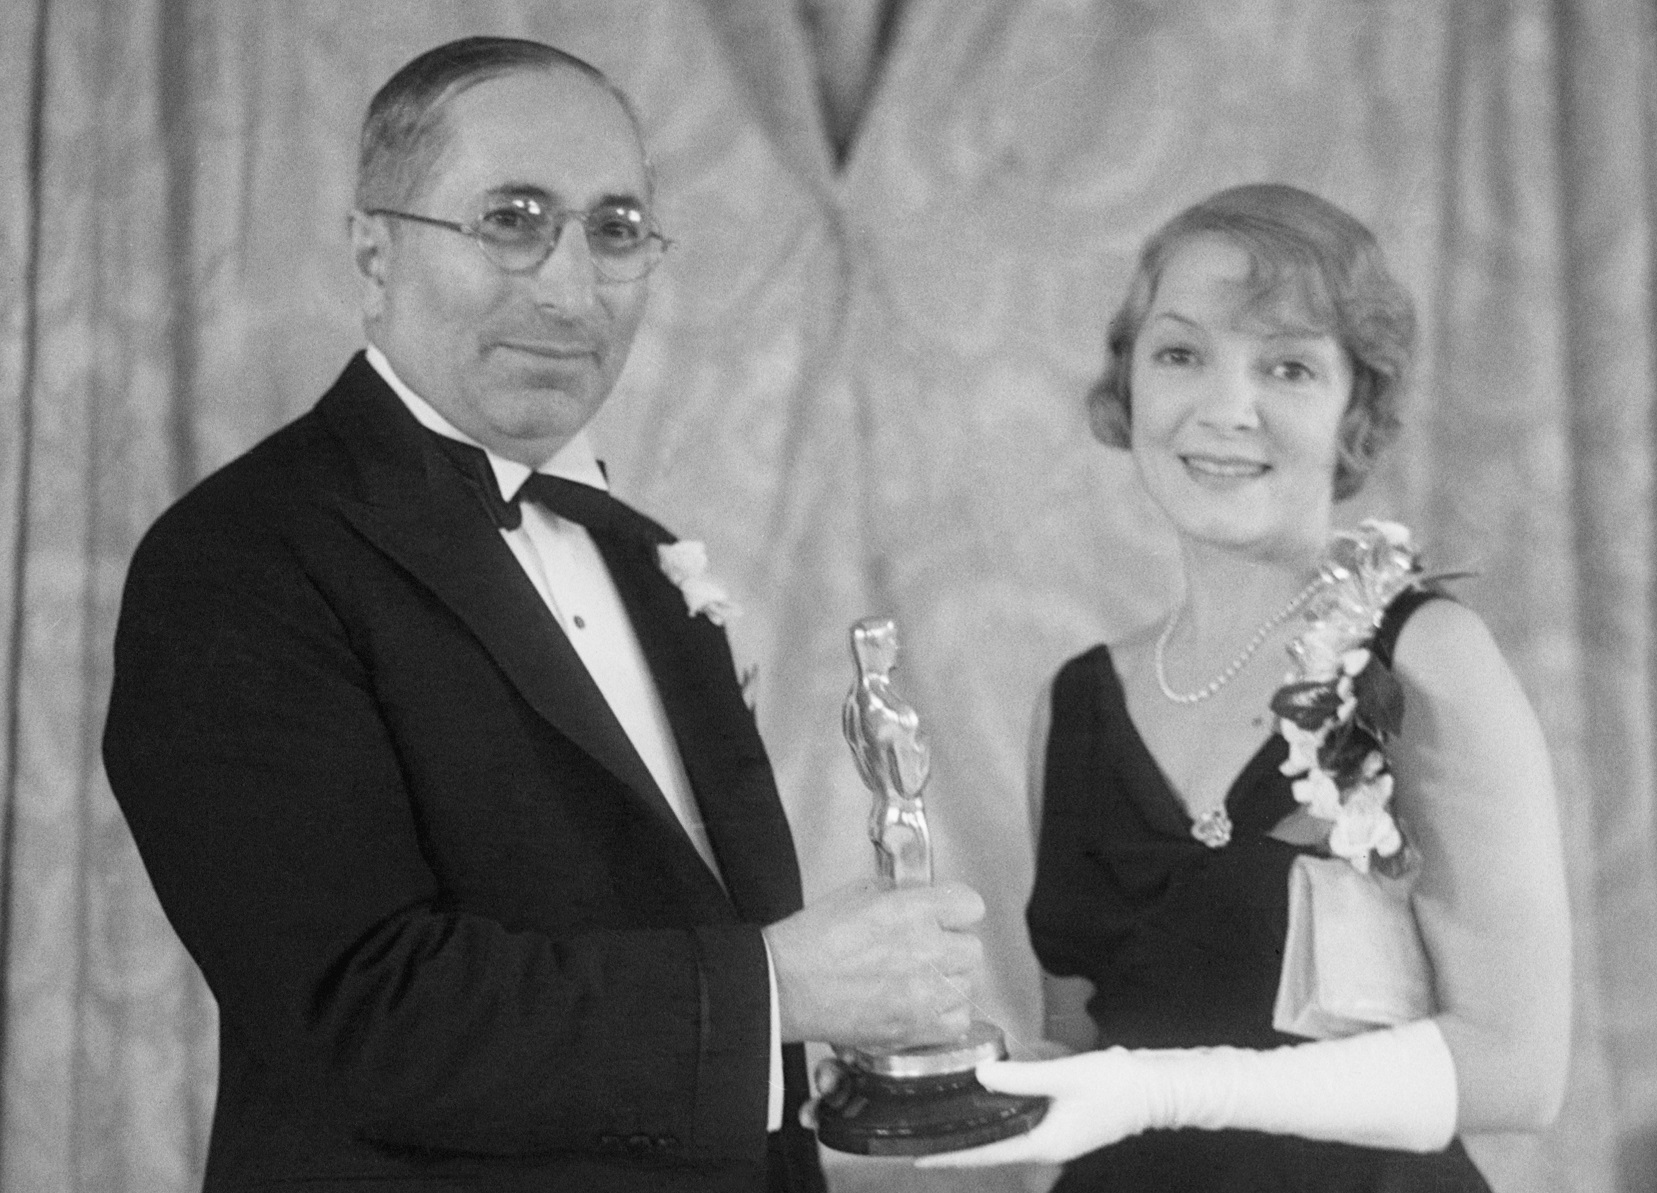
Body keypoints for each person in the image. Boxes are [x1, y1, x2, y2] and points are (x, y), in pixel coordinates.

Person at [102, 36, 987, 1193]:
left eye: (615, 230)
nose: (570, 290)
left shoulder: (642, 552)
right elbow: (364, 1015)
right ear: (374, 251)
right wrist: (787, 987)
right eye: (512, 219)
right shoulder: (239, 558)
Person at [917, 184, 1571, 1188]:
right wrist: (982, 1079)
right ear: (1127, 380)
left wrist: (1160, 1089)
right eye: (1181, 353)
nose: (1224, 408)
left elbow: (1515, 1073)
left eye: (1287, 365)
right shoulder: (1079, 702)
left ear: (1357, 402)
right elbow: (1087, 1045)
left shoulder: (1429, 658)